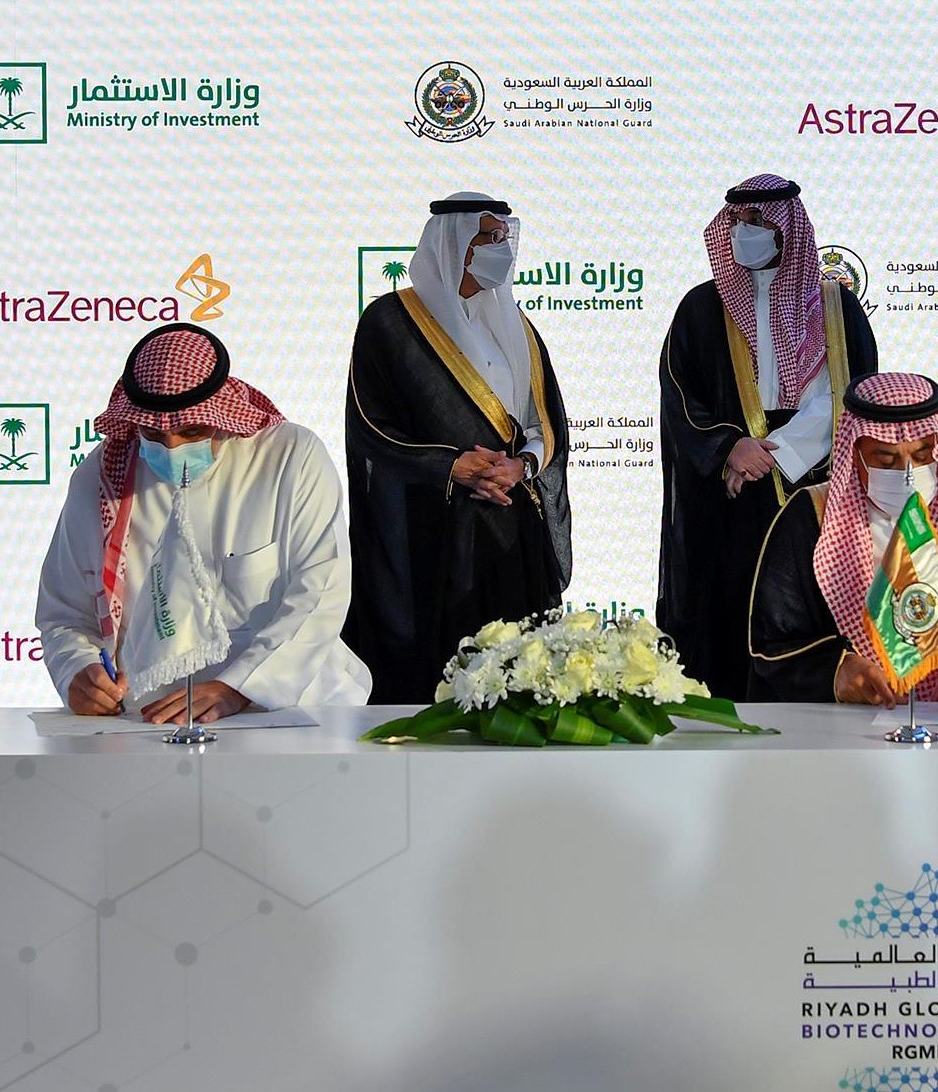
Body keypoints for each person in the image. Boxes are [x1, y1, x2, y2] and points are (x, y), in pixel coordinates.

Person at [36, 323, 370, 721]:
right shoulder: (104, 479)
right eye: (154, 433)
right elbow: (65, 615)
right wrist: (78, 672)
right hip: (152, 721)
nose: (172, 447)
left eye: (191, 430)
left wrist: (238, 688)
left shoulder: (289, 458)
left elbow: (321, 592)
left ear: (222, 415)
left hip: (295, 713)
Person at [343, 192, 571, 703]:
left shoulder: (516, 324)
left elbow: (547, 421)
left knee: (516, 673)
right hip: (429, 528)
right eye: (487, 237)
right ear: (452, 243)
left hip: (511, 521)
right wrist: (452, 466)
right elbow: (371, 425)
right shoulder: (390, 321)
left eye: (504, 237)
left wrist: (522, 465)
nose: (500, 249)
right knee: (439, 678)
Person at [657, 173, 878, 700]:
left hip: (813, 487)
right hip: (730, 489)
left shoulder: (836, 307)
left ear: (786, 228)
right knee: (729, 610)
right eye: (736, 221)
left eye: (756, 221)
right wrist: (730, 447)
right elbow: (680, 395)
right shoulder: (701, 307)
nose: (743, 231)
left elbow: (852, 393)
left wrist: (779, 454)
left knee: (804, 609)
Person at [748, 372, 938, 708]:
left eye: (922, 456)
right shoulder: (813, 516)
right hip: (853, 725)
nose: (909, 473)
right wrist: (836, 672)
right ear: (855, 453)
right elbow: (774, 642)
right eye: (886, 459)